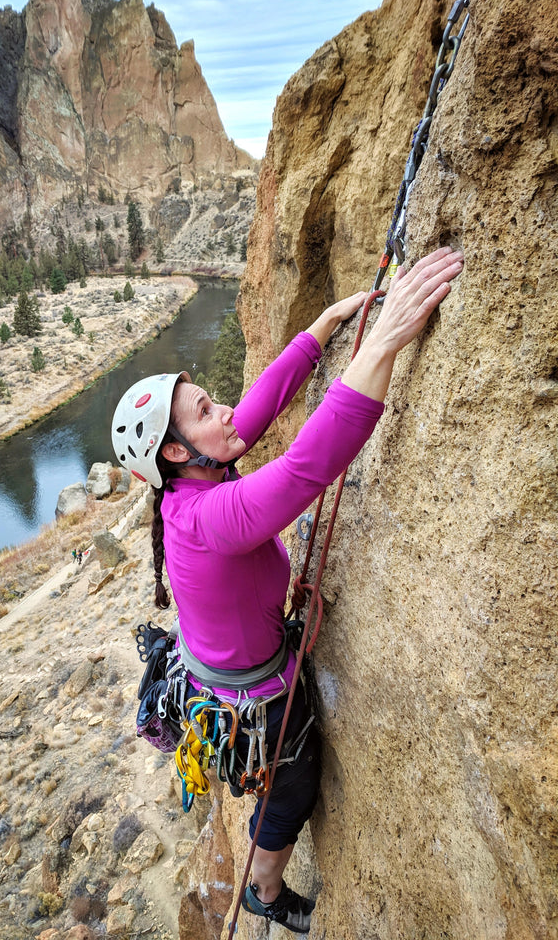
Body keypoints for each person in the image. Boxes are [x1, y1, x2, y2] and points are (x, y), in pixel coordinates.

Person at [111, 246, 464, 933]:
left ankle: (264, 880)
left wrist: (325, 326)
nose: (225, 411)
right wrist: (387, 338)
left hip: (234, 665)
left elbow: (254, 416)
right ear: (179, 452)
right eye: (206, 408)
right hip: (256, 696)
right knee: (293, 783)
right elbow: (307, 468)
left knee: (288, 776)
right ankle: (264, 889)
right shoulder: (208, 517)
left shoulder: (193, 483)